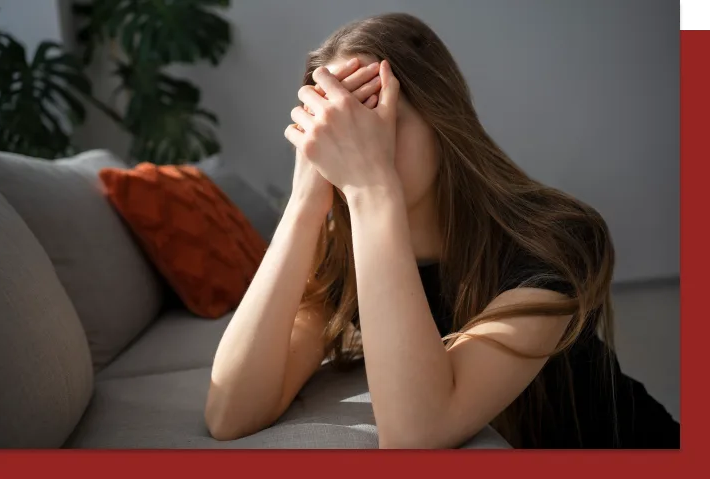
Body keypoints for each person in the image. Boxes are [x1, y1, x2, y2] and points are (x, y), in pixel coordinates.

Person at [204, 12, 680, 449]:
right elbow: (231, 413)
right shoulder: (345, 260)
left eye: (372, 111)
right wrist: (306, 201)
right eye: (335, 124)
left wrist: (372, 187)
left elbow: (417, 436)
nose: (356, 139)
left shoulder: (555, 238)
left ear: (441, 117)